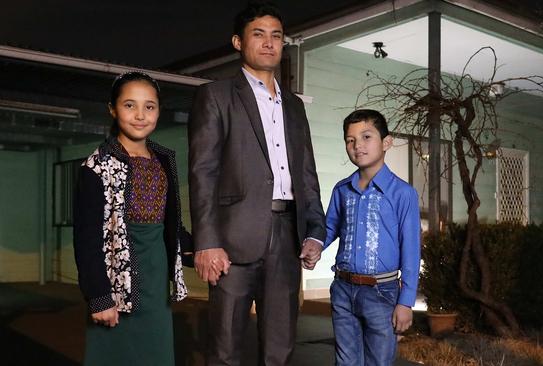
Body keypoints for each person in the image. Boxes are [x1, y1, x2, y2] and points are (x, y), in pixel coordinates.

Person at [187, 2, 326, 365]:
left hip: (287, 240)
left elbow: (307, 174)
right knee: (224, 349)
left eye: (276, 36)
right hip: (232, 242)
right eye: (258, 35)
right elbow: (203, 172)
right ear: (238, 42)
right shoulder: (215, 96)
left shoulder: (295, 106)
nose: (268, 43)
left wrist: (314, 231)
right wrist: (207, 242)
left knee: (280, 349)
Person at [73, 71, 189, 366]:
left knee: (156, 356)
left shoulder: (164, 159)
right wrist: (99, 297)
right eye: (129, 105)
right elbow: (86, 238)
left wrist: (201, 248)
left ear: (159, 111)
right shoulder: (97, 164)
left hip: (156, 280)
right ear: (112, 108)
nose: (140, 115)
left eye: (149, 106)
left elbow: (171, 224)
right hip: (114, 282)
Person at [322, 109, 421, 365]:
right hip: (343, 289)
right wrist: (313, 245)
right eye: (350, 140)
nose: (357, 146)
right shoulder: (342, 189)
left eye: (366, 137)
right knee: (345, 361)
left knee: (378, 361)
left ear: (386, 142)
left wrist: (406, 302)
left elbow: (411, 249)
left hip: (382, 293)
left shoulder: (403, 194)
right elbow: (329, 228)